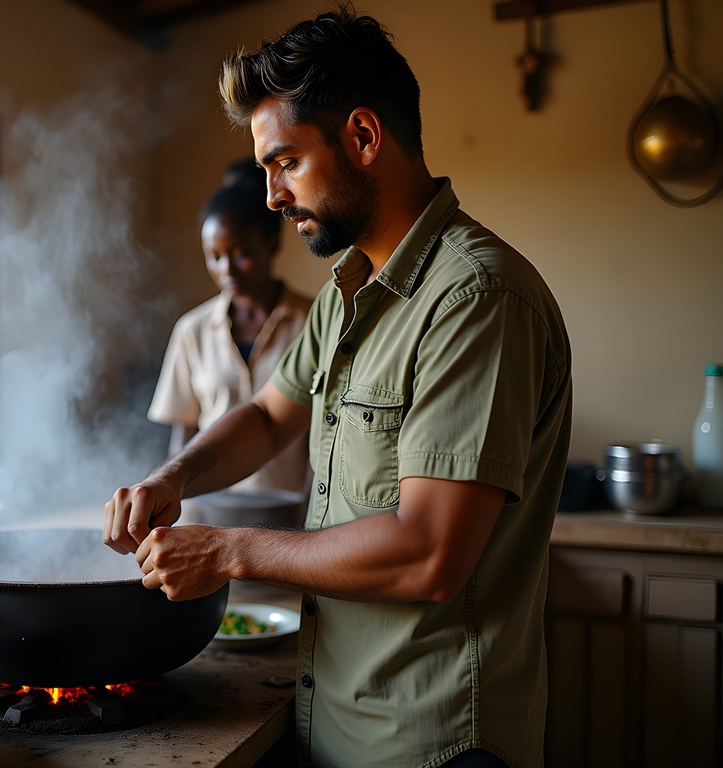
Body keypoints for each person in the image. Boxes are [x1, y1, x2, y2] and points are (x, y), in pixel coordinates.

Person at [104, 7, 572, 768]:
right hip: (340, 722)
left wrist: (227, 550)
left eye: (285, 162)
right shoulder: (346, 290)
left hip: (435, 742)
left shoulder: (476, 298)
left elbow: (428, 554)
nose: (271, 197)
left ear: (362, 137)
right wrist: (173, 474)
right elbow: (264, 415)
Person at [147, 163, 312, 494]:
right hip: (210, 511)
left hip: (287, 515)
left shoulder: (313, 323)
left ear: (271, 244)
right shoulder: (192, 331)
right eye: (215, 256)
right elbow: (184, 436)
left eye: (242, 254)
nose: (227, 270)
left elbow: (320, 435)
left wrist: (310, 517)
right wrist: (169, 493)